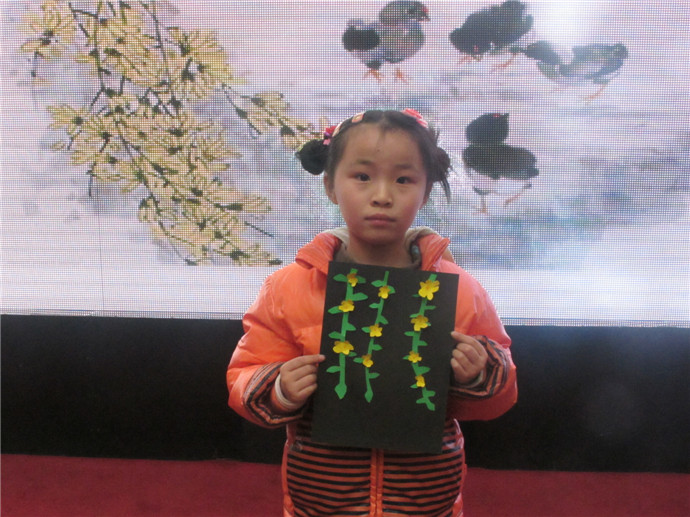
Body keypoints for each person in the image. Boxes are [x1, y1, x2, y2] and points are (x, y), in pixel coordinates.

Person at [227, 109, 517, 517]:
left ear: (426, 192)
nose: (382, 195)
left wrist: (480, 372)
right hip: (322, 503)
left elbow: (499, 396)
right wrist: (279, 388)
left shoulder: (461, 291)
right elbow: (245, 374)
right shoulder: (289, 287)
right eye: (362, 176)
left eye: (404, 179)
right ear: (330, 185)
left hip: (426, 502)